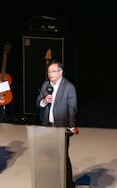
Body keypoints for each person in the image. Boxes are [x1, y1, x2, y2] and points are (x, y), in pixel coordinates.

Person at [36, 59, 79, 188]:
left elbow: (72, 108)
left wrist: (72, 126)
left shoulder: (69, 87)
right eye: (49, 72)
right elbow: (38, 103)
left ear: (60, 72)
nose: (50, 74)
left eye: (53, 71)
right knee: (48, 156)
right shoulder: (45, 85)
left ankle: (68, 184)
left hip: (61, 127)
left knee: (63, 157)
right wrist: (44, 100)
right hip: (47, 126)